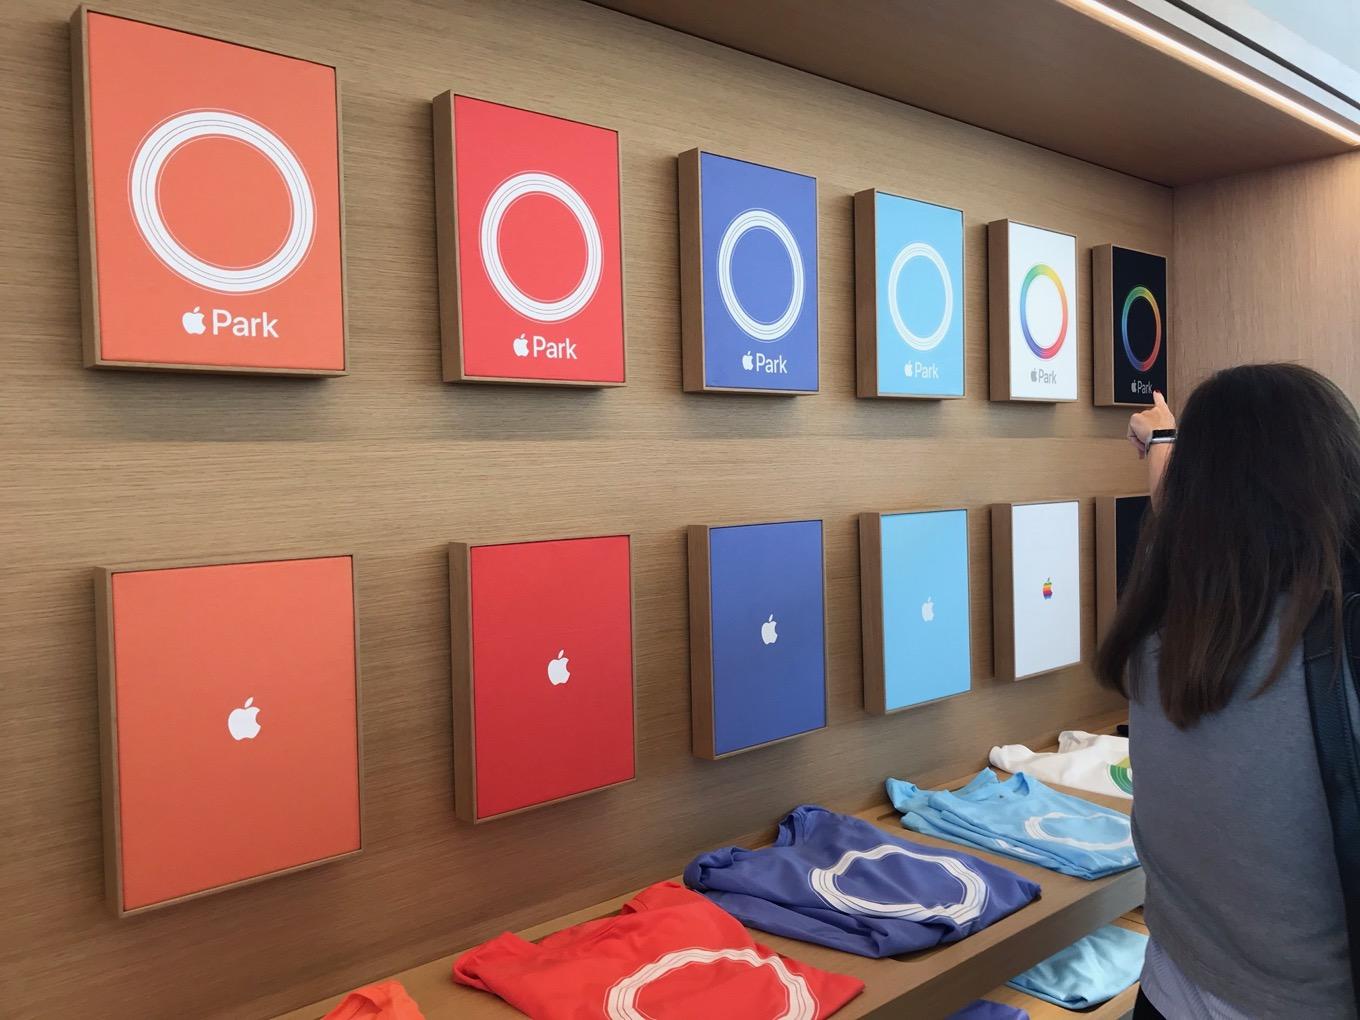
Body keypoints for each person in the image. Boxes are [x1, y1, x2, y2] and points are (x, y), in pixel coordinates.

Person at [1098, 365, 1357, 1019]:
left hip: (1169, 990)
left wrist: (1165, 446)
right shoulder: (1334, 643)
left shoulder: (1158, 633)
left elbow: (1182, 531)